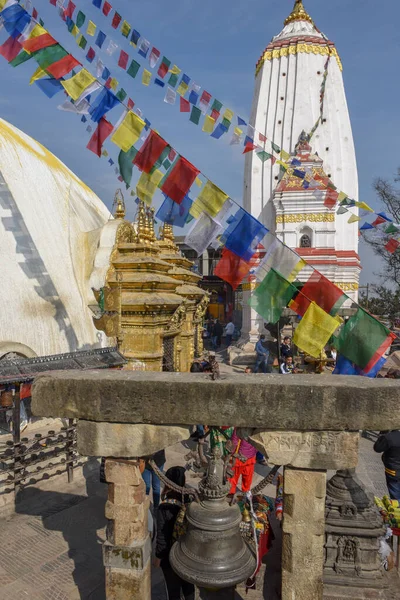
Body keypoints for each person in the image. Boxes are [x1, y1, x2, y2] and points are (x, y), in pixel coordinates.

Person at [155, 467, 195, 600]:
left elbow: (162, 536)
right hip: (187, 554)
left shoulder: (164, 507)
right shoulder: (188, 500)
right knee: (188, 586)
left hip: (170, 557)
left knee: (173, 591)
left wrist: (159, 557)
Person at [228, 428, 257, 495]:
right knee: (247, 479)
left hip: (238, 458)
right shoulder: (256, 428)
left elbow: (234, 441)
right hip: (251, 458)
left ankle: (231, 494)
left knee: (233, 478)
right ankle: (245, 494)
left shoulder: (239, 428)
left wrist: (231, 453)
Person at [374, 431, 400, 500]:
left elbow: (377, 448)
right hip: (395, 469)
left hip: (394, 471)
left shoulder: (390, 437)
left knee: (395, 494)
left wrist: (382, 435)